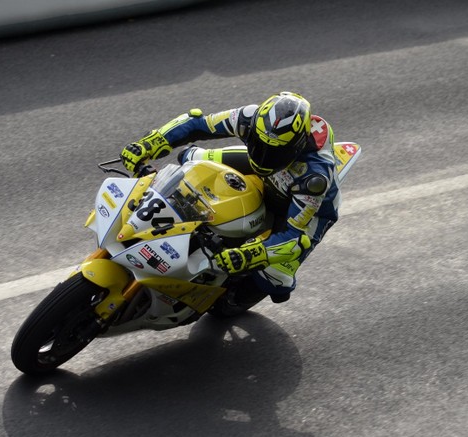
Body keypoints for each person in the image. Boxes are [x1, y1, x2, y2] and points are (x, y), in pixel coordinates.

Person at [120, 91, 340, 305]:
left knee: (275, 276)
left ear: (297, 146)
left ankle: (237, 295)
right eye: (259, 143)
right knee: (191, 158)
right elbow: (197, 123)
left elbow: (295, 237)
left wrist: (250, 255)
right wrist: (150, 142)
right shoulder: (249, 117)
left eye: (275, 152)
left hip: (305, 202)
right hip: (268, 172)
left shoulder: (315, 177)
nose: (264, 156)